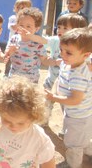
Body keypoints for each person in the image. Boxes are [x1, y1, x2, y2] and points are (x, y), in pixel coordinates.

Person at [45, 28, 92, 168]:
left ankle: (72, 164)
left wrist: (54, 97)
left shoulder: (79, 74)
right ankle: (89, 151)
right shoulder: (70, 63)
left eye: (68, 52)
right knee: (81, 137)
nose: (63, 55)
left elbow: (75, 99)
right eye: (61, 50)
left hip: (78, 115)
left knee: (73, 143)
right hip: (79, 113)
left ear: (86, 55)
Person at [5, 7, 47, 84]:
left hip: (31, 80)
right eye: (21, 25)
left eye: (28, 26)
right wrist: (10, 51)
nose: (24, 29)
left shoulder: (38, 44)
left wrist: (56, 62)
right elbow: (6, 55)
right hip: (14, 78)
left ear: (37, 29)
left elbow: (44, 60)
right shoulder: (14, 38)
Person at [4, 0, 32, 76]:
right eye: (18, 7)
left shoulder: (29, 20)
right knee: (9, 57)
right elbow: (14, 27)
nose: (20, 10)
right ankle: (6, 74)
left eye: (23, 8)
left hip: (23, 43)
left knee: (21, 58)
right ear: (15, 8)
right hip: (13, 42)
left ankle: (20, 73)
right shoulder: (13, 18)